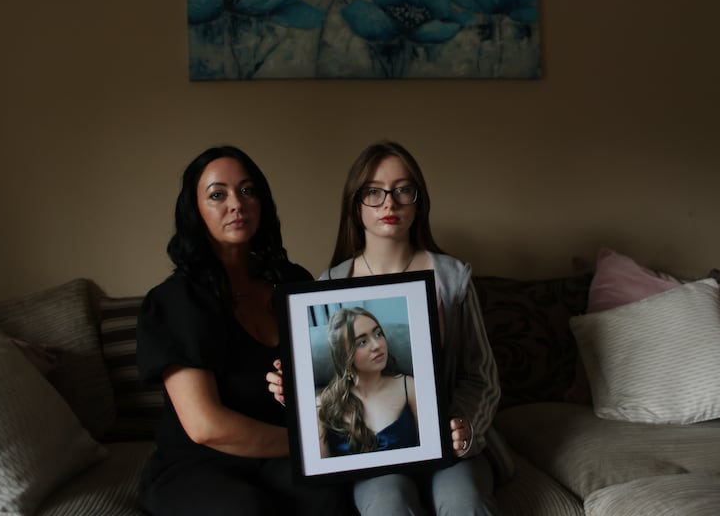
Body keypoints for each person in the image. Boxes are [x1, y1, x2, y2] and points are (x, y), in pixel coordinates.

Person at [268, 140, 501, 515]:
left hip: (448, 446)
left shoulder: (452, 276)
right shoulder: (330, 282)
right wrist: (292, 388)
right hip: (371, 455)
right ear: (355, 204)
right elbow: (323, 399)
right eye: (374, 193)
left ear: (418, 200)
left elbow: (482, 375)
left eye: (402, 190)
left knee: (464, 503)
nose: (389, 204)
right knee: (385, 506)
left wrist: (464, 426)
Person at [136, 145, 353, 516]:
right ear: (195, 212)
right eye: (217, 194)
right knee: (246, 509)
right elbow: (206, 426)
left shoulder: (293, 281)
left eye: (247, 190)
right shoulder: (174, 301)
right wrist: (309, 443)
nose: (236, 204)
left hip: (277, 456)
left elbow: (328, 378)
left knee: (331, 496)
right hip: (198, 462)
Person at [317, 306, 418, 458]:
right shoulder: (324, 404)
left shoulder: (409, 387)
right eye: (362, 342)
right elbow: (320, 473)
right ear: (344, 356)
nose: (377, 345)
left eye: (378, 334)